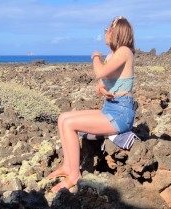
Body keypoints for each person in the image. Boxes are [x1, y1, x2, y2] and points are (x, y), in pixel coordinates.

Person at [48, 16, 135, 193]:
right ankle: (67, 166)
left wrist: (95, 56)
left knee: (70, 124)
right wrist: (101, 90)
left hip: (121, 114)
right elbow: (106, 82)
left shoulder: (124, 51)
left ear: (115, 33)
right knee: (63, 118)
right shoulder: (114, 55)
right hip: (111, 107)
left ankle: (74, 176)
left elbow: (100, 72)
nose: (105, 34)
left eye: (107, 30)